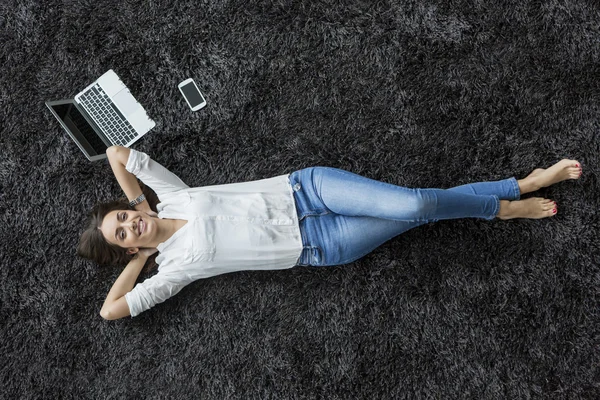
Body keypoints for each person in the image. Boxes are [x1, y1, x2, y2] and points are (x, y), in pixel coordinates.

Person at [77, 146, 583, 320]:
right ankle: (511, 194)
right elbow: (111, 309)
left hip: (309, 192)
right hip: (321, 246)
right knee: (423, 215)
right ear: (130, 249)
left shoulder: (172, 195)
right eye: (123, 234)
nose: (129, 223)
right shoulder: (173, 269)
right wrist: (140, 258)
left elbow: (120, 156)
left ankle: (509, 198)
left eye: (121, 217)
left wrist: (141, 203)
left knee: (415, 202)